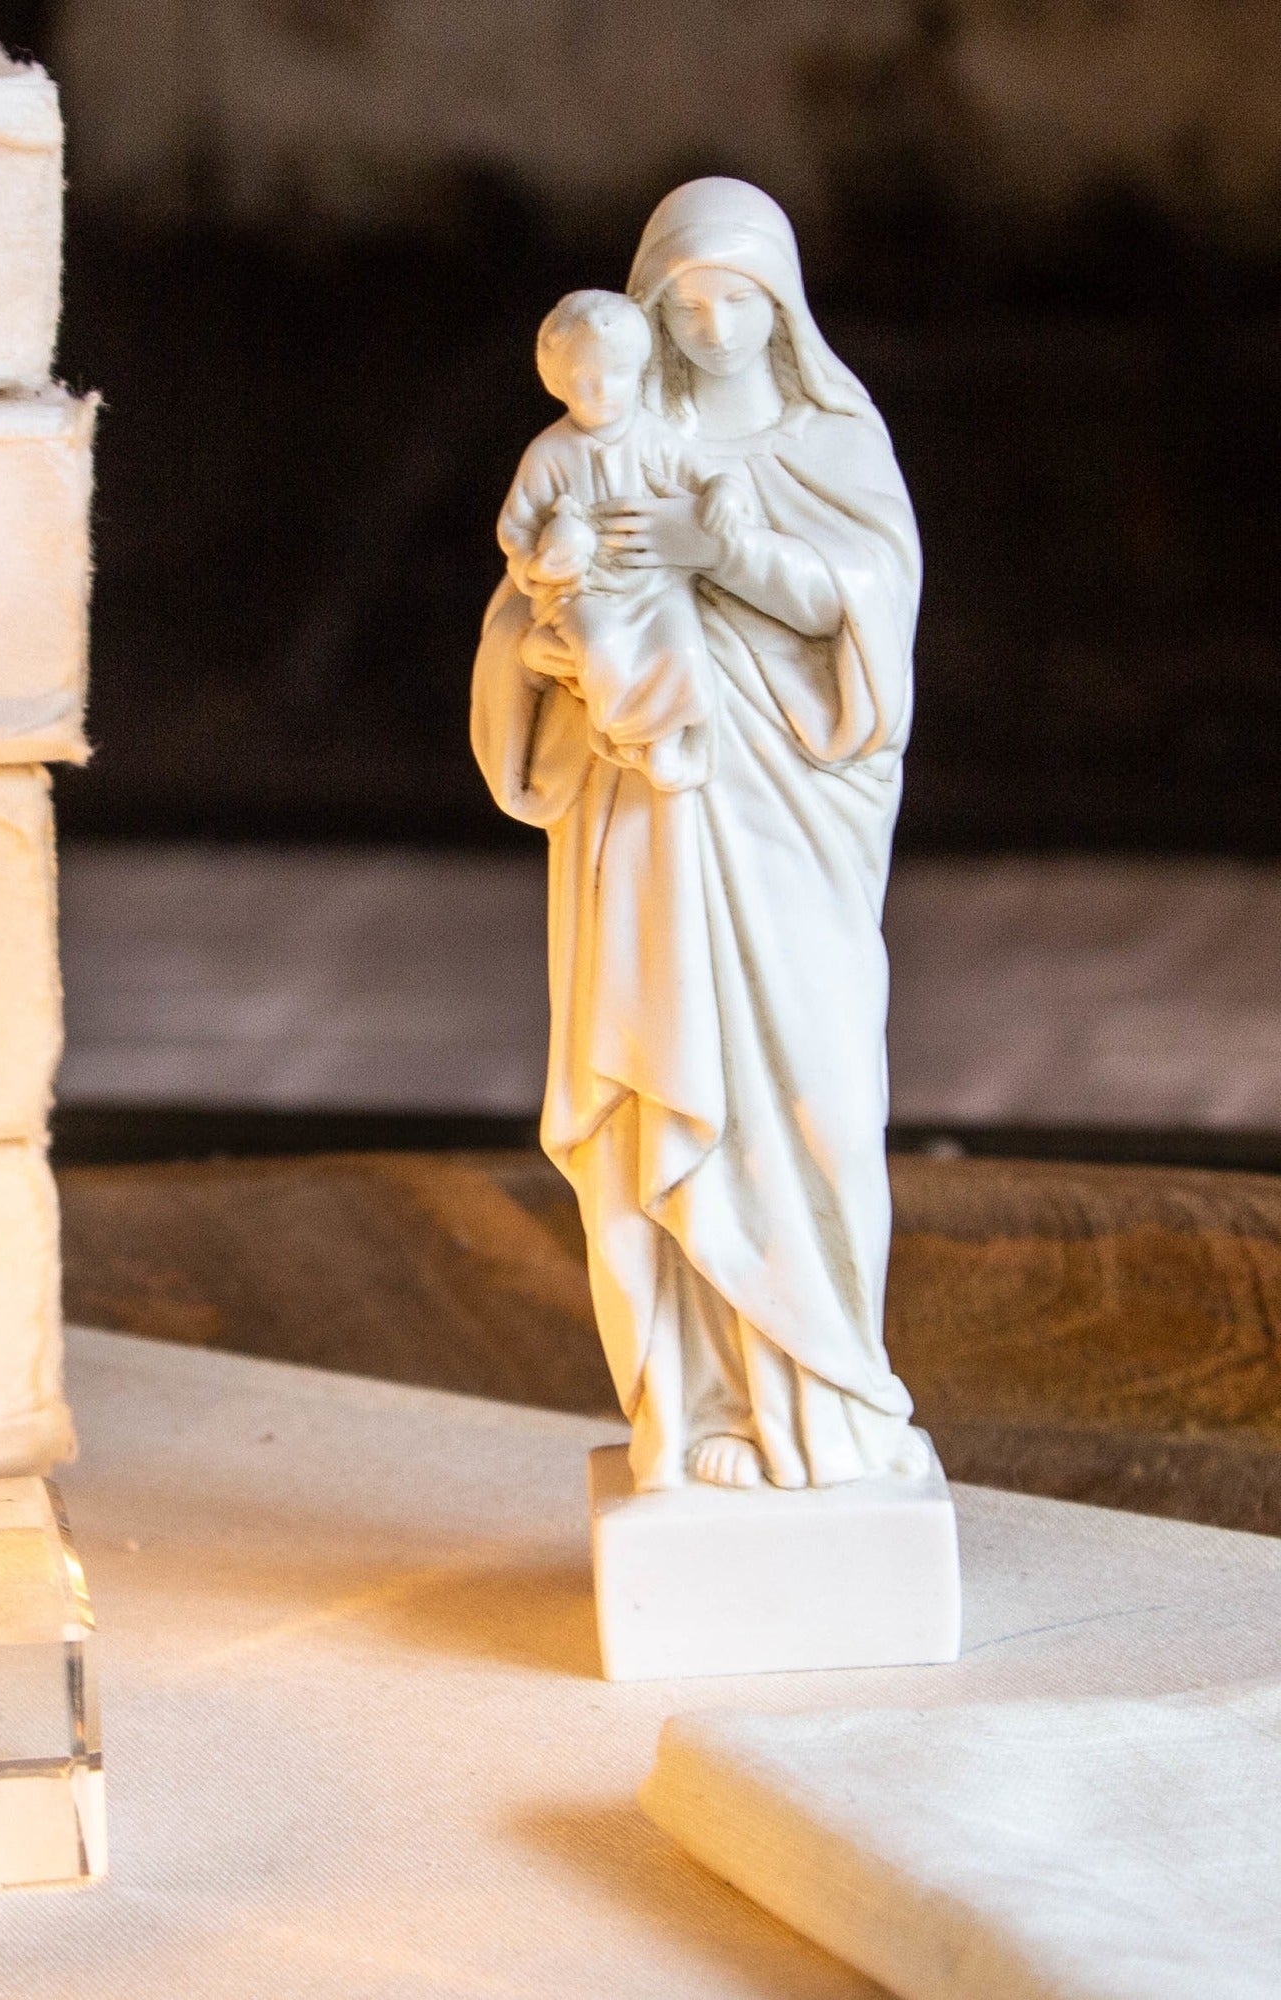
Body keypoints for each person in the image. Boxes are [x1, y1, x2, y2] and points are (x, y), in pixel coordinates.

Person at [472, 177, 928, 1492]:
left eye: (743, 298)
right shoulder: (609, 428)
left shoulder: (830, 442)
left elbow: (866, 615)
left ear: (784, 308)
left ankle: (835, 1401)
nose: (716, 324)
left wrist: (710, 554)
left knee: (821, 1099)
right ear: (649, 305)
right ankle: (702, 1411)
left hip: (793, 817)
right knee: (666, 1099)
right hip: (657, 819)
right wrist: (554, 634)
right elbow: (523, 601)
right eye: (689, 300)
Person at [496, 288, 750, 793]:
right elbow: (515, 526)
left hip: (654, 585)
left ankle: (668, 743)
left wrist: (726, 492)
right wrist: (539, 565)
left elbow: (711, 475)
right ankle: (635, 740)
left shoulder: (654, 436)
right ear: (557, 383)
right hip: (582, 591)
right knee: (601, 646)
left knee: (681, 644)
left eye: (618, 375)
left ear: (639, 373)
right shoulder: (550, 452)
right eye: (584, 380)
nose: (603, 391)